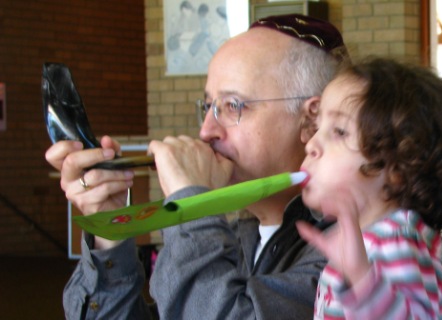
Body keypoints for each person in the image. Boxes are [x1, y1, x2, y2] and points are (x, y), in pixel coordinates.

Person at [46, 14, 349, 319]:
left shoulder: (353, 251)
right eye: (208, 106)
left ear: (312, 120)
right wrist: (109, 229)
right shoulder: (235, 238)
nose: (206, 131)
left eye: (233, 106)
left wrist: (191, 204)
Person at [297, 57, 442, 319]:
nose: (311, 144)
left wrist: (362, 280)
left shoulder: (395, 240)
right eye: (317, 128)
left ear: (398, 168)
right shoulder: (368, 239)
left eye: (340, 132)